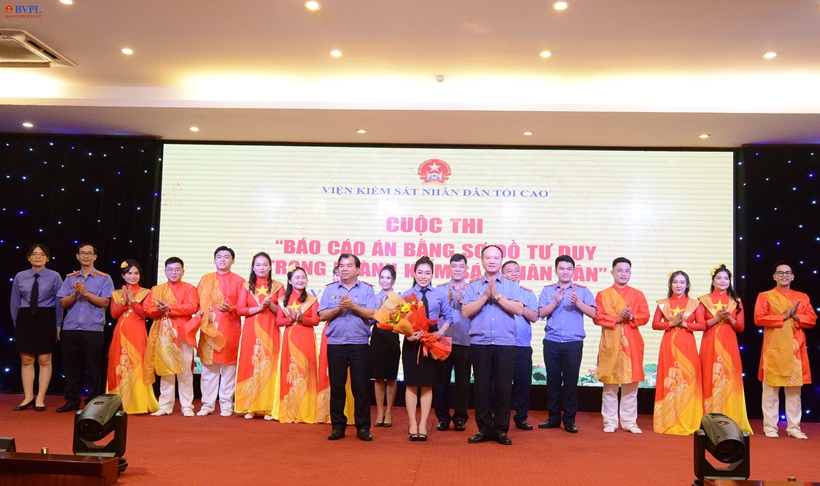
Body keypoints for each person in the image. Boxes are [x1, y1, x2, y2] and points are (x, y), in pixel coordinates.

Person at [462, 245, 524, 445]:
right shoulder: (472, 286)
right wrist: (484, 296)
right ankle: (484, 429)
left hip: (505, 342)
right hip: (480, 343)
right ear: (481, 261)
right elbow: (466, 312)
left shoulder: (511, 285)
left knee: (503, 388)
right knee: (481, 388)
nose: (491, 261)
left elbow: (519, 310)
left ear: (501, 261)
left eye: (496, 258)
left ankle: (501, 430)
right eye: (488, 258)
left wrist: (497, 296)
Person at [754, 261, 817, 439]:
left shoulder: (802, 297)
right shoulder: (765, 296)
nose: (784, 276)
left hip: (794, 349)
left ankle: (794, 427)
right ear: (774, 276)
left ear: (793, 276)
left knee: (794, 392)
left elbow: (812, 319)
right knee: (770, 392)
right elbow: (759, 318)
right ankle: (770, 427)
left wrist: (795, 316)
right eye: (780, 273)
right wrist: (783, 316)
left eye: (787, 273)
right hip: (773, 349)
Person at [318, 253, 378, 441]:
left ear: (358, 269)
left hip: (359, 344)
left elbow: (373, 314)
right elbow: (322, 315)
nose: (344, 269)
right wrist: (338, 308)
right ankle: (338, 427)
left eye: (349, 265)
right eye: (341, 266)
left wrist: (353, 306)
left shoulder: (367, 290)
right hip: (336, 344)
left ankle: (363, 427)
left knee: (361, 387)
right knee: (337, 387)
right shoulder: (330, 290)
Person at [537, 255, 596, 433]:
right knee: (552, 381)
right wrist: (556, 301)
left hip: (573, 343)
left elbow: (594, 313)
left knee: (570, 382)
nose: (565, 272)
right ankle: (553, 418)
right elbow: (540, 313)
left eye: (569, 269)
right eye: (561, 268)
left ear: (574, 271)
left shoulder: (582, 291)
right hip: (552, 342)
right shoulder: (547, 290)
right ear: (555, 270)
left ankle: (569, 420)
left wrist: (577, 302)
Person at [593, 256, 649, 433]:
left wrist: (631, 316)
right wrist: (618, 318)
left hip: (632, 344)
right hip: (611, 344)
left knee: (631, 386)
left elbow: (645, 316)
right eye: (620, 270)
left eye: (627, 271)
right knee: (610, 386)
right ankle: (610, 421)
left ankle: (629, 422)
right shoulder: (603, 295)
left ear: (630, 273)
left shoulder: (638, 294)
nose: (623, 274)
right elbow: (597, 317)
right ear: (612, 272)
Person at [56, 243, 115, 413]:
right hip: (71, 328)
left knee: (93, 367)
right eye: (82, 253)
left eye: (89, 253)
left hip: (93, 329)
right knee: (70, 367)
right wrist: (75, 294)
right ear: (77, 256)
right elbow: (63, 303)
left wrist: (85, 293)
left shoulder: (104, 278)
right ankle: (72, 400)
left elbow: (105, 302)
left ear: (95, 257)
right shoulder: (70, 278)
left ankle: (93, 402)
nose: (86, 256)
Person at [695, 264, 752, 434]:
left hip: (729, 344)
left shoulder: (736, 302)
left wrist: (729, 319)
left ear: (730, 281)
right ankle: (708, 420)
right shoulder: (703, 300)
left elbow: (740, 327)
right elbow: (701, 325)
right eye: (719, 278)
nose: (722, 281)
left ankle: (732, 419)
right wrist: (717, 318)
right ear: (713, 281)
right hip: (710, 343)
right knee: (709, 376)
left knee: (729, 377)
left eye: (726, 278)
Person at [402, 256, 452, 441]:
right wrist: (408, 335)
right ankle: (412, 423)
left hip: (431, 342)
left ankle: (423, 423)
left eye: (427, 273)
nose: (423, 276)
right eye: (420, 272)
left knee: (427, 384)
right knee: (411, 384)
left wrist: (440, 332)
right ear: (414, 273)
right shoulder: (406, 295)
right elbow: (398, 321)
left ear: (432, 275)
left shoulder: (439, 294)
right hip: (411, 342)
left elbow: (449, 317)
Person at [143, 256, 199, 417]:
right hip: (164, 334)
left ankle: (187, 406)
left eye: (177, 269)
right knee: (166, 370)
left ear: (183, 271)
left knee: (185, 371)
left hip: (183, 332)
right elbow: (147, 310)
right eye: (170, 269)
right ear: (165, 271)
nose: (174, 272)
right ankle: (165, 406)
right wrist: (159, 310)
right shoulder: (156, 289)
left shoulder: (190, 288)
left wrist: (170, 308)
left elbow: (192, 307)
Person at [10, 244, 63, 412]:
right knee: (26, 359)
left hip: (46, 318)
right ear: (29, 257)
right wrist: (17, 325)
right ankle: (27, 397)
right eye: (34, 254)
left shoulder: (55, 276)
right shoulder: (20, 276)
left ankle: (40, 398)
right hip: (25, 318)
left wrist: (58, 325)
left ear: (47, 258)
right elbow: (14, 302)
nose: (38, 257)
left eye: (42, 254)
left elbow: (59, 303)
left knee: (44, 359)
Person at [195, 246, 246, 417]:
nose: (222, 259)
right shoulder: (206, 279)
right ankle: (207, 404)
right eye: (219, 256)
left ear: (233, 260)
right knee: (209, 369)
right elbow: (197, 301)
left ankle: (226, 404)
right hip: (209, 328)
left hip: (230, 328)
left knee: (229, 369)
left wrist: (231, 308)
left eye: (226, 257)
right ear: (214, 260)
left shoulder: (239, 281)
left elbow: (243, 306)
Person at [652, 270, 703, 435]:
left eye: (682, 282)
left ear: (687, 285)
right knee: (669, 379)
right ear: (670, 284)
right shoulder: (663, 304)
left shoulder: (694, 304)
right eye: (675, 282)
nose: (678, 285)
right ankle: (667, 420)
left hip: (687, 345)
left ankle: (689, 420)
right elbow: (655, 324)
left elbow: (702, 325)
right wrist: (671, 323)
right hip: (668, 345)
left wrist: (686, 325)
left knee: (688, 379)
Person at [235, 252, 284, 420]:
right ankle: (250, 406)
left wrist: (270, 305)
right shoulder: (245, 286)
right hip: (251, 330)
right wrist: (259, 308)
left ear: (270, 267)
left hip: (271, 330)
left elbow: (283, 313)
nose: (261, 268)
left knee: (270, 365)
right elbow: (240, 310)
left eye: (265, 264)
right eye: (258, 265)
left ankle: (268, 407)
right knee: (251, 364)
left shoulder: (278, 286)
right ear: (253, 267)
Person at [106, 260, 158, 414]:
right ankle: (118, 403)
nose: (133, 276)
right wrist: (124, 300)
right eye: (129, 273)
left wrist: (133, 300)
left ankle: (138, 404)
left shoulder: (146, 292)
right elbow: (114, 314)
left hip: (137, 332)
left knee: (138, 364)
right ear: (123, 276)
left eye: (136, 273)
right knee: (118, 364)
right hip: (120, 333)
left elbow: (144, 314)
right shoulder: (116, 293)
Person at [277, 265, 321, 423]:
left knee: (306, 371)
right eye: (297, 277)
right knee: (290, 372)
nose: (300, 280)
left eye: (303, 277)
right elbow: (278, 322)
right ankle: (290, 410)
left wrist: (302, 318)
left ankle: (305, 410)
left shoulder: (312, 299)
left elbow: (316, 320)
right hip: (290, 339)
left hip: (306, 338)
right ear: (290, 280)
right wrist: (290, 319)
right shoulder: (283, 300)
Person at [435, 253, 472, 432]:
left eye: (461, 266)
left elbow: (476, 313)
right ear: (449, 268)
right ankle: (442, 418)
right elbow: (432, 315)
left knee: (463, 382)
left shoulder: (472, 290)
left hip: (465, 340)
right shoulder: (439, 290)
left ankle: (460, 418)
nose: (457, 270)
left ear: (466, 269)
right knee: (441, 381)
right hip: (443, 340)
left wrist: (463, 301)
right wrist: (448, 301)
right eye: (454, 266)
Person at [502, 260, 539, 431]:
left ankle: (521, 417)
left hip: (522, 346)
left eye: (516, 270)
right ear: (502, 274)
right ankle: (499, 417)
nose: (514, 273)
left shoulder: (527, 294)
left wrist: (518, 306)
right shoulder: (498, 293)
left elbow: (534, 317)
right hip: (502, 344)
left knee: (522, 384)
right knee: (500, 384)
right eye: (509, 271)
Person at [371, 264, 400, 428]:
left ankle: (389, 412)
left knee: (390, 377)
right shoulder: (374, 298)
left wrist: (388, 310)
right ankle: (379, 412)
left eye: (388, 278)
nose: (384, 281)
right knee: (378, 377)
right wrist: (378, 310)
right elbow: (369, 321)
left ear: (393, 280)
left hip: (392, 338)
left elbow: (401, 322)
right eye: (382, 277)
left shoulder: (398, 299)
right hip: (377, 339)